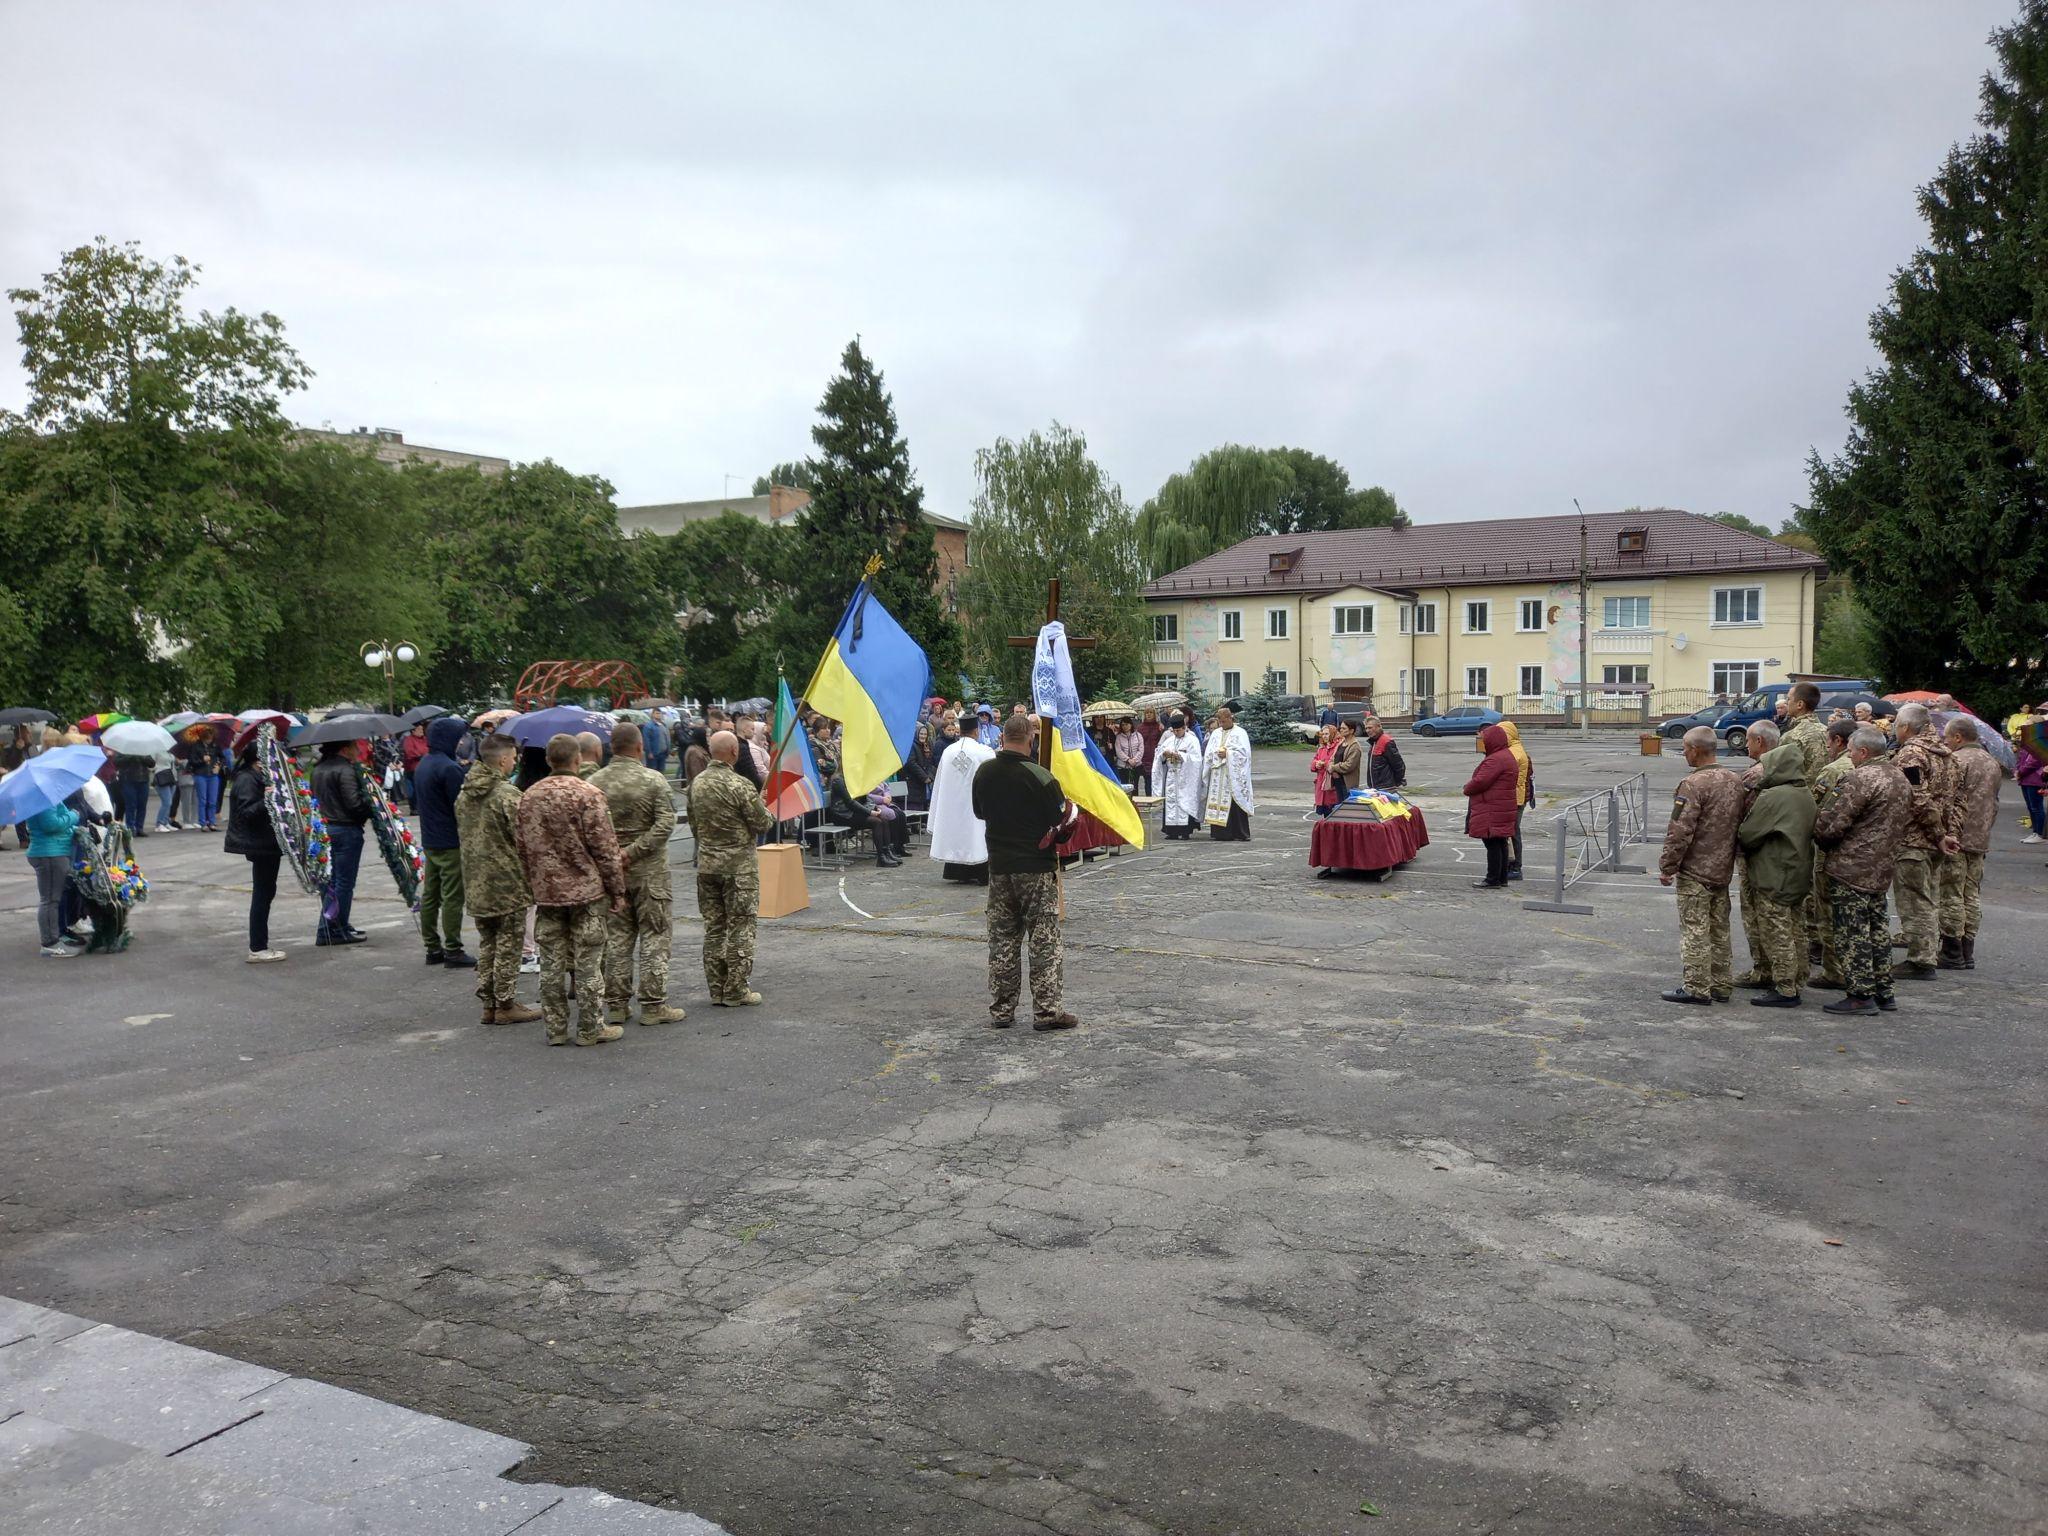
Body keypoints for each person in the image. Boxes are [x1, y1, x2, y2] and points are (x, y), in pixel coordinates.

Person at [515, 733, 628, 1046]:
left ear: (550, 760)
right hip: (586, 893)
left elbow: (522, 848)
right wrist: (617, 890)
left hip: (547, 894)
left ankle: (555, 1029)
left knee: (550, 963)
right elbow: (605, 848)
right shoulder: (588, 794)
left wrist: (533, 883)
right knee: (589, 962)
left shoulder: (529, 796)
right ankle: (591, 1028)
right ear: (577, 759)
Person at [972, 713, 1078, 1030]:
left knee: (1003, 941)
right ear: (1030, 740)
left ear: (1002, 738)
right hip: (1035, 867)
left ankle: (1002, 1011)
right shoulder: (1040, 777)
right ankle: (1047, 1011)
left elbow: (979, 812)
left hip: (1000, 866)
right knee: (1043, 942)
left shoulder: (984, 773)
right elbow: (1061, 821)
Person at [1812, 726, 1912, 1015]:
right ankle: (1884, 990)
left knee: (1851, 932)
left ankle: (1859, 994)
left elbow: (1832, 824)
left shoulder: (1859, 778)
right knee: (1878, 930)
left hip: (1852, 868)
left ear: (1863, 751)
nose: (1850, 756)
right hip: (1881, 867)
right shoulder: (1898, 777)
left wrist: (1819, 836)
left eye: (1852, 751)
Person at [591, 723, 685, 1026]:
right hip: (650, 872)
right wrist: (632, 852)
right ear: (640, 746)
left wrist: (613, 856)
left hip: (612, 874)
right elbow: (665, 824)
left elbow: (590, 831)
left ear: (611, 747)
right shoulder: (652, 780)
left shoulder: (594, 782)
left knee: (618, 938)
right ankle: (653, 1004)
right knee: (655, 935)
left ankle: (617, 1004)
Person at [455, 733, 541, 1026]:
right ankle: (506, 1002)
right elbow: (528, 838)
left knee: (488, 941)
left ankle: (490, 1002)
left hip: (476, 881)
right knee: (509, 943)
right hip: (508, 882)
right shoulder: (507, 795)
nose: (515, 762)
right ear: (503, 760)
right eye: (514, 757)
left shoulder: (464, 794)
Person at [688, 729, 777, 1007]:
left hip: (708, 866)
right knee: (740, 927)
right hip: (739, 868)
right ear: (734, 753)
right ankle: (736, 989)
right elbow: (763, 824)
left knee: (714, 928)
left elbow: (694, 826)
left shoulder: (697, 785)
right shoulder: (740, 785)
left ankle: (717, 989)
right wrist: (764, 809)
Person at [1657, 726, 1744, 1004]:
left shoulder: (1693, 785)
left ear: (1695, 749)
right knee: (1720, 928)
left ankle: (1696, 986)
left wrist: (1668, 866)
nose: (1684, 753)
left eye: (1685, 748)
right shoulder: (1734, 780)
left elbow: (1680, 830)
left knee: (1695, 929)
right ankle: (1721, 983)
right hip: (1722, 867)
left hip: (1696, 868)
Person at [1736, 737, 1817, 1007]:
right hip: (1797, 869)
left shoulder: (1773, 797)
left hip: (1774, 872)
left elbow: (1748, 834)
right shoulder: (1804, 792)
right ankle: (1798, 977)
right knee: (1796, 929)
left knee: (1776, 930)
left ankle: (1784, 987)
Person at [1889, 702, 1960, 979]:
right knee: (1929, 897)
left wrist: (1939, 834)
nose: (1894, 728)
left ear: (1906, 727)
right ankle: (1926, 954)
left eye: (1896, 724)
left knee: (1915, 900)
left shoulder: (1912, 755)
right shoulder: (1947, 755)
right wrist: (1948, 832)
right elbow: (1955, 799)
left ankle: (1921, 959)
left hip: (1916, 839)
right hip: (1937, 838)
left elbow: (1916, 797)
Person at [413, 716, 476, 969]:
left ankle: (432, 947)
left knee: (431, 895)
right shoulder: (450, 768)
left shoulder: (424, 764)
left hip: (431, 839)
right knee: (452, 896)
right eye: (459, 737)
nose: (461, 742)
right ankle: (453, 949)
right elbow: (462, 807)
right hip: (451, 840)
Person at [1939, 715, 2001, 970]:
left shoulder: (1957, 760)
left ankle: (1952, 950)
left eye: (1947, 737)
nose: (1945, 741)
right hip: (1981, 836)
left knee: (1951, 893)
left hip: (1957, 835)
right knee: (1971, 893)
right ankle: (1967, 949)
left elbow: (1948, 799)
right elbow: (1994, 802)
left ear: (1958, 737)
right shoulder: (1992, 762)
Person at [1807, 719, 1860, 992]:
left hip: (1831, 850)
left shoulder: (1833, 771)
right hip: (1864, 854)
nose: (1827, 747)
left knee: (1827, 911)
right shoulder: (1875, 767)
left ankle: (1834, 970)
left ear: (1839, 741)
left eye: (1829, 741)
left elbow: (1816, 811)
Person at [222, 741, 286, 963]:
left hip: (266, 843)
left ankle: (259, 945)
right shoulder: (246, 779)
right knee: (262, 894)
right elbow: (247, 812)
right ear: (259, 760)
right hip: (259, 844)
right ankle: (258, 947)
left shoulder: (255, 777)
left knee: (266, 892)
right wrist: (268, 798)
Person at [1732, 721, 1779, 989]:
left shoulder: (1755, 774)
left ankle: (1764, 970)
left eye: (1748, 741)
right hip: (1782, 852)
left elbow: (1738, 814)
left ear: (1759, 741)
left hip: (1755, 853)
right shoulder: (1788, 769)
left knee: (1755, 912)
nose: (1746, 745)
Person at [311, 741, 371, 946]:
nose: (358, 750)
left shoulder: (318, 769)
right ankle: (329, 929)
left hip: (324, 830)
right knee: (343, 883)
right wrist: (370, 807)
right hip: (345, 829)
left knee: (330, 882)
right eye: (355, 747)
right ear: (344, 749)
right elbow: (354, 804)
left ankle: (338, 924)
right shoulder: (345, 769)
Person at [928, 721, 995, 881]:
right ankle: (980, 873)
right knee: (976, 833)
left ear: (960, 731)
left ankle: (958, 872)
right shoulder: (984, 752)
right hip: (976, 802)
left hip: (952, 803)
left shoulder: (948, 751)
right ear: (976, 731)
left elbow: (939, 783)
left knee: (957, 832)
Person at [1461, 724, 1518, 888]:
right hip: (1501, 806)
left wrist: (1467, 788)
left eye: (1483, 740)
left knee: (1492, 843)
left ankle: (1492, 878)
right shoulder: (1506, 755)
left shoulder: (1495, 760)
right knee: (1500, 842)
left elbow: (1480, 781)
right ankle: (1501, 878)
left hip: (1492, 808)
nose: (1482, 743)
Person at [27, 797, 81, 957]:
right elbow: (50, 825)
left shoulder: (44, 797)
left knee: (51, 899)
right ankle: (49, 943)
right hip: (49, 853)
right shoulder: (42, 799)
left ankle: (53, 938)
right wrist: (73, 815)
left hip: (52, 851)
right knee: (50, 900)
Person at [826, 767, 904, 867]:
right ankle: (881, 858)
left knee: (883, 819)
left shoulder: (854, 778)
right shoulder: (838, 780)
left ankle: (887, 852)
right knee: (876, 822)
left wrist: (874, 808)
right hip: (842, 815)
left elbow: (865, 797)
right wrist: (869, 812)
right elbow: (850, 802)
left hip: (854, 812)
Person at [1202, 705, 1255, 840]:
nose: (1221, 724)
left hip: (1232, 775)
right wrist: (1216, 754)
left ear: (1230, 718)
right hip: (1217, 774)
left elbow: (1245, 755)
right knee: (1217, 801)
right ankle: (1220, 833)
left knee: (1235, 804)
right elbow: (1208, 752)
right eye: (1219, 721)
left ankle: (1239, 833)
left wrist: (1228, 754)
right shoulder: (1216, 733)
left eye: (1224, 721)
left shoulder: (1240, 733)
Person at [1153, 714, 1203, 839]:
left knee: (1183, 801)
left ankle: (1185, 831)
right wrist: (1164, 755)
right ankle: (1171, 831)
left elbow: (1197, 760)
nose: (1176, 733)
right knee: (1171, 802)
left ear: (1184, 727)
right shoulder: (1169, 740)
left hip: (1185, 776)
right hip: (1171, 776)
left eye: (1178, 730)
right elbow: (1159, 756)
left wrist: (1181, 756)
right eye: (1174, 731)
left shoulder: (1192, 740)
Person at [1499, 721, 1534, 880]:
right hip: (1516, 797)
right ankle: (1509, 864)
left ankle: (1515, 866)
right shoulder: (1514, 750)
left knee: (1513, 832)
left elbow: (1511, 779)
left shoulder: (1514, 753)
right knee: (1511, 832)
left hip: (1515, 798)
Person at [1358, 715, 1407, 790]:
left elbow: (1398, 765)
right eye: (1366, 728)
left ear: (1378, 727)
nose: (1367, 730)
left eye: (1370, 727)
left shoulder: (1386, 741)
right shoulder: (1374, 742)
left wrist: (1395, 782)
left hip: (1385, 787)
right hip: (1376, 787)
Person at [2016, 726, 2045, 843]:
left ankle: (2041, 834)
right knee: (2031, 807)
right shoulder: (2027, 744)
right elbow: (2021, 759)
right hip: (2025, 779)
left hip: (2034, 779)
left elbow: (2034, 762)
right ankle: (2035, 832)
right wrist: (2017, 770)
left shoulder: (2039, 744)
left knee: (2036, 807)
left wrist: (2020, 772)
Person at [188, 736, 223, 832]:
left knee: (212, 800)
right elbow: (191, 761)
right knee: (203, 800)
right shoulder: (196, 746)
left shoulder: (215, 746)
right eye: (207, 735)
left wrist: (218, 766)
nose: (209, 738)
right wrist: (202, 760)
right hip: (200, 774)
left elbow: (222, 757)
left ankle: (212, 822)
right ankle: (203, 823)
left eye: (211, 735)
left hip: (213, 775)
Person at [904, 724, 939, 814]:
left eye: (925, 734)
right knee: (914, 809)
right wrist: (924, 777)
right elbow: (911, 763)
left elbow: (932, 763)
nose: (923, 736)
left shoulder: (929, 745)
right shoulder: (912, 746)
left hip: (925, 783)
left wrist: (930, 776)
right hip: (914, 782)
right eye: (921, 734)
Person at [115, 752, 151, 836]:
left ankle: (139, 828)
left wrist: (143, 758)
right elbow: (117, 762)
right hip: (128, 780)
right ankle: (130, 828)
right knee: (130, 805)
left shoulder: (144, 750)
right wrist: (130, 756)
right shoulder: (123, 750)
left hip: (143, 780)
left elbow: (152, 763)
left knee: (142, 805)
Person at [1310, 726, 1340, 817]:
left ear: (1333, 734)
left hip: (1331, 785)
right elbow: (1313, 763)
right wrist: (1316, 764)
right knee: (1325, 816)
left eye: (1327, 734)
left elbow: (1336, 764)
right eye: (1323, 734)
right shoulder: (1321, 748)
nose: (1324, 736)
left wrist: (1324, 764)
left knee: (1332, 814)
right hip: (1321, 786)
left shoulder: (1337, 747)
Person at [400, 723, 429, 808]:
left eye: (422, 729)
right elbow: (410, 752)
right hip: (413, 768)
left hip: (425, 767)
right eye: (419, 729)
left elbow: (429, 749)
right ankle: (415, 807)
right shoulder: (409, 740)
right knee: (415, 789)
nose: (421, 731)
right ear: (413, 731)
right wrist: (421, 755)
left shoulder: (425, 739)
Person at [1114, 719, 1145, 792]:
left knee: (1135, 787)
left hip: (1136, 766)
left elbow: (1141, 749)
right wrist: (1128, 759)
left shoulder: (1138, 735)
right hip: (1123, 767)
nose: (1125, 727)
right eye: (1123, 725)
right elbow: (1119, 751)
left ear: (1131, 725)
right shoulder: (1118, 737)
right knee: (1125, 787)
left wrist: (1135, 760)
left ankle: (1135, 802)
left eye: (1127, 724)